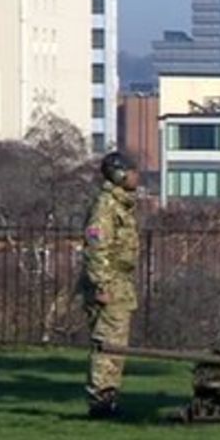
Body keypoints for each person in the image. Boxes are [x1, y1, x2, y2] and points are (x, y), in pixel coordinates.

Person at [80, 151, 140, 419]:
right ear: (118, 174)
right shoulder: (105, 207)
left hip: (121, 282)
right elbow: (96, 248)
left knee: (117, 342)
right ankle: (101, 399)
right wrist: (102, 285)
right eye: (131, 170)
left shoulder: (122, 205)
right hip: (110, 283)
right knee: (107, 342)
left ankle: (109, 395)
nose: (135, 175)